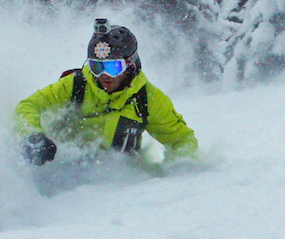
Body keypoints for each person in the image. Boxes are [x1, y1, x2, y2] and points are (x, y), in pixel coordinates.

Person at [15, 18, 198, 166]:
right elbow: (28, 106)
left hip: (119, 189)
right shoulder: (76, 85)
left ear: (130, 65)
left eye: (113, 67)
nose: (104, 75)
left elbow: (181, 140)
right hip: (66, 181)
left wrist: (178, 172)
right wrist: (32, 135)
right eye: (96, 66)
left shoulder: (147, 99)